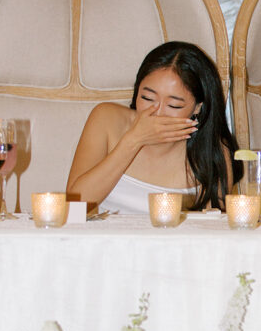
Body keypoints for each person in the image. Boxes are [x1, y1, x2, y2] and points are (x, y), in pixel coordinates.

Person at [67, 41, 241, 212]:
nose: (157, 113)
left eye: (173, 105)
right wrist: (133, 140)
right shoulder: (106, 119)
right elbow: (74, 207)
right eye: (147, 98)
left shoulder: (212, 150)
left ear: (198, 107)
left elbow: (213, 226)